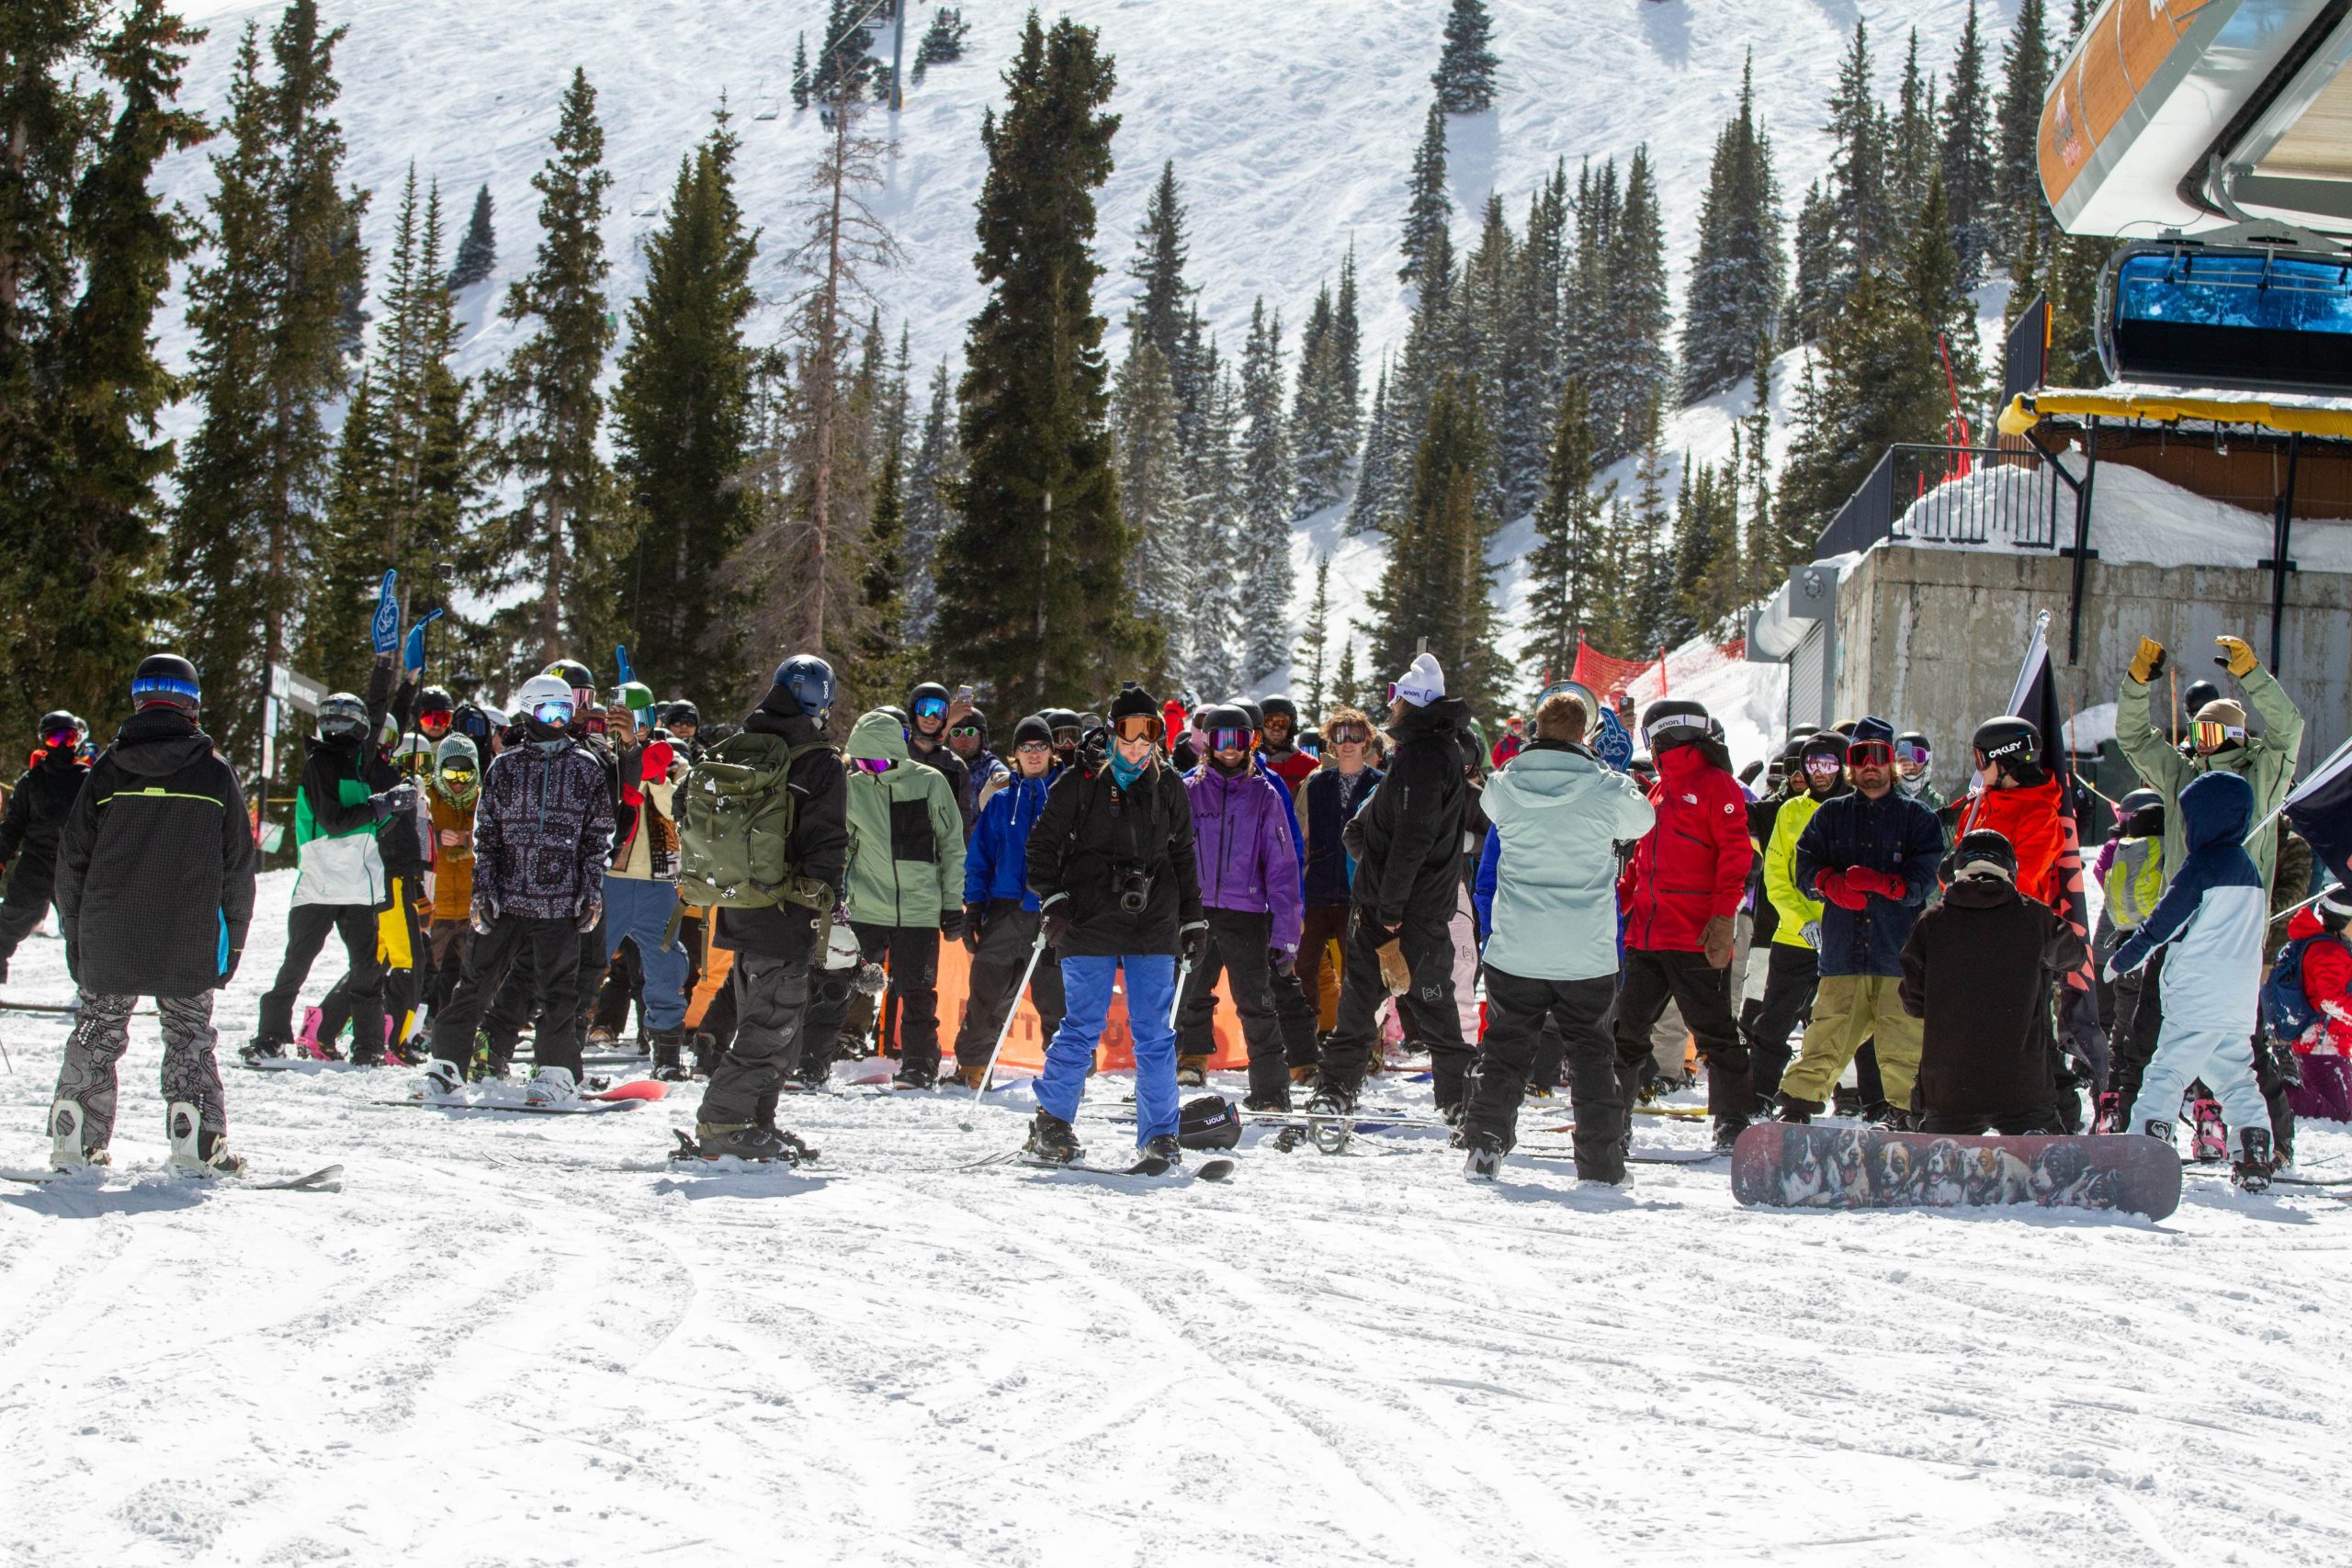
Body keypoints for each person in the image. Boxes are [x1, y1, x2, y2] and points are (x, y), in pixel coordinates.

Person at [49, 654, 256, 1174]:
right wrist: (232, 942)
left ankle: (75, 1139)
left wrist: (74, 934)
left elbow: (72, 859)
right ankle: (197, 1143)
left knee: (98, 1029)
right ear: (193, 703)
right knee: (188, 1036)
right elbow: (238, 867)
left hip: (109, 930)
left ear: (139, 699)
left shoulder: (107, 768)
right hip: (186, 933)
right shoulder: (214, 772)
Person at [1462, 692, 1655, 1182]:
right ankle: (1601, 1163)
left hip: (1517, 946)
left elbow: (1490, 802)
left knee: (1504, 1049)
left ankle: (1484, 1142)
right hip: (1584, 950)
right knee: (1592, 1056)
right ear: (1584, 735)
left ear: (1536, 729)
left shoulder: (1505, 785)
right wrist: (1611, 767)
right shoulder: (1605, 788)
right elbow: (1644, 819)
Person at [1020, 686, 1204, 1167]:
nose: (1138, 746)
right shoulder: (1081, 780)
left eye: (1149, 735)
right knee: (1081, 1024)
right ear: (1111, 730)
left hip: (1153, 918)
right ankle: (1052, 1123)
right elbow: (1041, 847)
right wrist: (1054, 899)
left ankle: (1161, 1133)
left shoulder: (1169, 785)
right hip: (1089, 916)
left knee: (1154, 1031)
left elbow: (1184, 855)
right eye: (1128, 734)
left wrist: (1193, 918)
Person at [420, 673, 614, 1106]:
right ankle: (447, 1066)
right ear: (529, 710)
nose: (559, 720)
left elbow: (597, 837)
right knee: (473, 982)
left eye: (566, 711)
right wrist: (483, 891)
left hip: (559, 902)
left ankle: (557, 1071)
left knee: (560, 990)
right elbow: (487, 835)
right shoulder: (505, 767)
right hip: (506, 896)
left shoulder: (585, 767)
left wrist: (590, 891)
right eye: (550, 711)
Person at [685, 656, 849, 1160]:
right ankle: (722, 1122)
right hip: (787, 912)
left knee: (774, 1022)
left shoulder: (739, 747)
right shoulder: (817, 762)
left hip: (738, 904)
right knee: (772, 1025)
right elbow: (826, 841)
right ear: (821, 700)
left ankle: (757, 1120)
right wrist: (831, 907)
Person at [1312, 654, 1474, 1120]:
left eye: (1394, 699)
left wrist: (1388, 905)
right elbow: (1378, 828)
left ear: (1408, 702)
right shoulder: (1428, 750)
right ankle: (1455, 1099)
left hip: (1402, 910)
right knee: (1420, 1005)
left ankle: (1343, 1089)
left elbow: (1413, 840)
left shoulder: (1424, 756)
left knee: (1377, 1004)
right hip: (1407, 903)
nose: (1391, 710)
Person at [2105, 770, 2276, 1190]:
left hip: (2197, 995)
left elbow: (2162, 923)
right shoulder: (2249, 872)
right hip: (2237, 1002)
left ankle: (2146, 1151)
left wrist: (2121, 960)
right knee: (2236, 1075)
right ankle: (2254, 1152)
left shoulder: (2202, 866)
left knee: (2166, 1072)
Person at [1774, 717, 1946, 1126]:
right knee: (1824, 1039)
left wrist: (1888, 885)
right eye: (1860, 757)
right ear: (1850, 763)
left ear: (1892, 763)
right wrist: (1827, 884)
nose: (1870, 765)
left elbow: (1926, 880)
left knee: (1904, 1046)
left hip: (1897, 956)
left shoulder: (1919, 818)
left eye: (1879, 756)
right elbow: (1803, 867)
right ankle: (1795, 1111)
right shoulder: (1830, 815)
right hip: (1842, 954)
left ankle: (1909, 1117)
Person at [1613, 698, 1755, 1148]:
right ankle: (1612, 1118)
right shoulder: (1658, 790)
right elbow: (1639, 861)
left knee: (1715, 1032)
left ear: (1661, 736)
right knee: (1625, 1031)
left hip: (1694, 937)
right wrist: (1618, 903)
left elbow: (1737, 857)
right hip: (1648, 937)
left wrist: (1721, 918)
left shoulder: (1717, 785)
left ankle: (1733, 1121)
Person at [248, 663, 401, 1062]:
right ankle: (271, 1035)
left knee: (366, 971)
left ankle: (369, 1045)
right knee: (297, 962)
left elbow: (379, 709)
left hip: (358, 885)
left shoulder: (358, 766)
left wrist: (388, 667)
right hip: (321, 882)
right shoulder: (320, 764)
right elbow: (335, 822)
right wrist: (382, 805)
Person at [1900, 829, 2091, 1134]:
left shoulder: (1931, 922)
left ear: (1959, 868)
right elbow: (2075, 957)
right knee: (2039, 1173)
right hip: (2023, 1085)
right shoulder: (2036, 918)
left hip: (1949, 1087)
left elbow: (1912, 1002)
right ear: (2010, 870)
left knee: (1941, 1175)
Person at [1176, 704, 1304, 1107]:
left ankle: (1270, 1091)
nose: (1229, 749)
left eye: (1239, 740)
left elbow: (1283, 868)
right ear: (1207, 743)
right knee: (1182, 996)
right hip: (1194, 912)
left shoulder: (1264, 795)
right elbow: (1168, 854)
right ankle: (1161, 1086)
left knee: (1256, 1003)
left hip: (1245, 913)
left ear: (1252, 743)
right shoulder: (1188, 789)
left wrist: (1285, 932)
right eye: (1220, 739)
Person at [837, 706, 966, 1088]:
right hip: (867, 906)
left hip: (919, 910)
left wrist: (950, 904)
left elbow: (952, 845)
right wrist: (835, 899)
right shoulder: (854, 786)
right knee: (839, 983)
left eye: (876, 760)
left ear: (895, 750)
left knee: (917, 992)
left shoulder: (929, 782)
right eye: (862, 761)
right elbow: (843, 846)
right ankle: (813, 1056)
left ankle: (919, 1065)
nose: (869, 768)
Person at [950, 714, 1066, 1089]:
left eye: (1041, 746)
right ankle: (972, 1066)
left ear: (1051, 751)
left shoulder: (1066, 796)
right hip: (1004, 910)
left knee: (1055, 1000)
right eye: (1026, 747)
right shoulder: (1000, 801)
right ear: (1015, 753)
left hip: (1052, 912)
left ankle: (1066, 1074)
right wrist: (975, 909)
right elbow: (979, 859)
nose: (1034, 754)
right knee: (986, 994)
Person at [1751, 731, 1848, 1105]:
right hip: (1795, 936)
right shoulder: (1791, 811)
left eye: (1827, 764)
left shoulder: (1858, 810)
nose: (1819, 773)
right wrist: (1801, 920)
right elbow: (1775, 874)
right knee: (1774, 1019)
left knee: (1845, 1019)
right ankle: (1760, 1089)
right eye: (1811, 765)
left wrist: (1839, 925)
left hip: (1844, 937)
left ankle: (1858, 1094)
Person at [603, 701, 693, 1078]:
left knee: (666, 967)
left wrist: (658, 780)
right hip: (611, 879)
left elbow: (679, 814)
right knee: (584, 964)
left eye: (642, 719)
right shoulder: (602, 756)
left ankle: (667, 1057)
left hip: (658, 881)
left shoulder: (673, 759)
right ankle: (561, 1052)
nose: (635, 727)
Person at [1295, 706, 1382, 1077]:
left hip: (1358, 895)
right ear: (1330, 741)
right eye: (1340, 736)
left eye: (1355, 736)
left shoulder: (1381, 783)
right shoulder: (1316, 783)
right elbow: (1301, 836)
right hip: (1316, 891)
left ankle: (1369, 1048)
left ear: (1367, 740)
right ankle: (1305, 1046)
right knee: (1305, 970)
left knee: (1360, 976)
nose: (1347, 744)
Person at [0, 712, 93, 982]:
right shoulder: (31, 782)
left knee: (82, 928)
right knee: (10, 920)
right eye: (55, 738)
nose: (62, 745)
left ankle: (92, 989)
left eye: (69, 738)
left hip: (75, 865)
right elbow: (13, 825)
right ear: (44, 741)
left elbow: (104, 824)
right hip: (36, 862)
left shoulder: (88, 780)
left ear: (77, 741)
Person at [2096, 788, 2167, 1130]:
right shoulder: (2168, 851)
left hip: (2124, 951)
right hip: (2160, 956)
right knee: (2170, 1040)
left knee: (2121, 1037)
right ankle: (2207, 1120)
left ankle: (2110, 1113)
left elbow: (2102, 880)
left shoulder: (2121, 850)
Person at [1954, 716, 2064, 907]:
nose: (1979, 770)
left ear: (2005, 761)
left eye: (1982, 760)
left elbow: (2021, 882)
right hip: (1967, 919)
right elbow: (1952, 875)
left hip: (2015, 924)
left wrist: (1964, 883)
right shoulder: (1977, 808)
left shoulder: (2041, 816)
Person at [422, 733, 481, 1043]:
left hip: (472, 907)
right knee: (425, 974)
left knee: (476, 976)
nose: (458, 782)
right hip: (437, 905)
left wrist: (468, 840)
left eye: (465, 773)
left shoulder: (484, 798)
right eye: (450, 773)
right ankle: (417, 1026)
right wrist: (440, 834)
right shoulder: (428, 798)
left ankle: (472, 1029)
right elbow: (414, 836)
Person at [2279, 885, 2352, 1123]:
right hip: (2322, 1045)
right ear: (2343, 921)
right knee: (2340, 1114)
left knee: (2341, 1107)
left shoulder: (2328, 946)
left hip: (2324, 1044)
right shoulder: (2329, 951)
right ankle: (2271, 1095)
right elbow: (2330, 1000)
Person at [904, 681, 971, 807]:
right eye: (925, 709)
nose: (931, 717)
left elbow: (963, 813)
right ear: (913, 711)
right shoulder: (897, 754)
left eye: (939, 711)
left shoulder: (954, 766)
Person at [947, 705, 1010, 831]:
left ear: (982, 736)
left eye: (970, 732)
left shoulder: (994, 770)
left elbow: (1005, 811)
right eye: (956, 732)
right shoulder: (942, 766)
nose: (963, 738)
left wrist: (976, 830)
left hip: (980, 845)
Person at [1257, 694, 1317, 789]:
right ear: (1260, 725)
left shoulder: (1310, 765)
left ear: (1290, 726)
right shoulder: (1250, 762)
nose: (1276, 728)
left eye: (1282, 723)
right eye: (1270, 722)